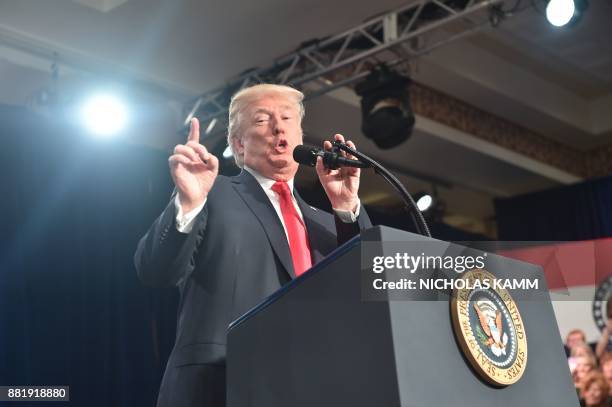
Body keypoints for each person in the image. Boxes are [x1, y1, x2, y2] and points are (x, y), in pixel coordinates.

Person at [134, 84, 371, 407]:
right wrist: (187, 203)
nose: (278, 126)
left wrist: (346, 206)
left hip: (313, 388)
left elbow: (374, 290)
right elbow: (155, 270)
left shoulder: (328, 221)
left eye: (287, 118)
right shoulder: (211, 193)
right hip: (220, 386)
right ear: (238, 145)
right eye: (261, 120)